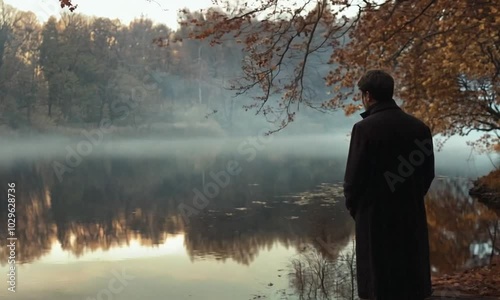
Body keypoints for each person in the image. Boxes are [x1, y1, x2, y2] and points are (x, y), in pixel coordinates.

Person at [343, 70, 435, 300]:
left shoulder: (364, 129)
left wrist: (359, 211)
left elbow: (353, 181)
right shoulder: (420, 128)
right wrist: (411, 197)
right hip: (410, 215)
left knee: (378, 283)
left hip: (375, 219)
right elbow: (427, 175)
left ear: (368, 95)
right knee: (409, 280)